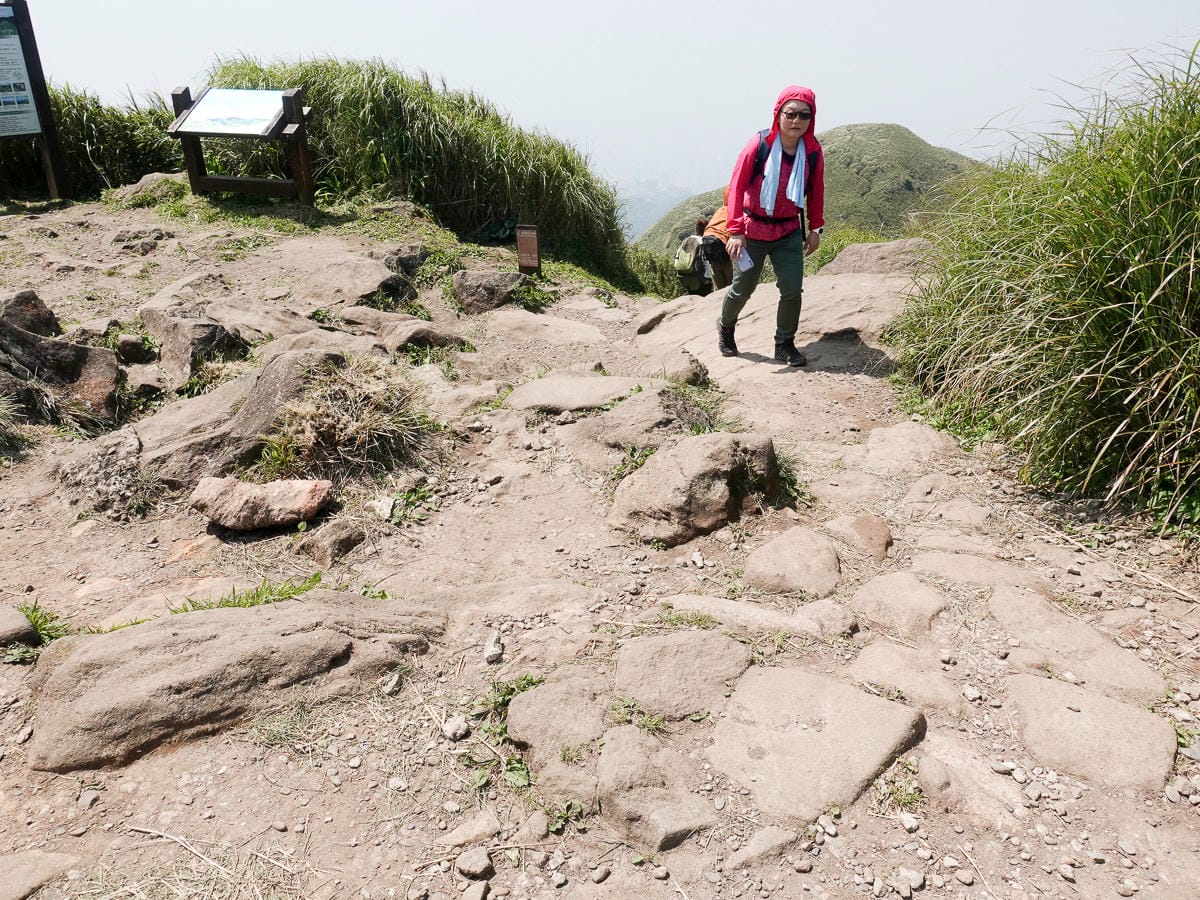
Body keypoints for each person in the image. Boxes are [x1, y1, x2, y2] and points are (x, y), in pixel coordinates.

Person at [717, 85, 825, 366]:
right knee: (743, 288)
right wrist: (736, 231)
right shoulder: (760, 144)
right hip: (752, 231)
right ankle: (726, 327)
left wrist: (816, 228)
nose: (796, 121)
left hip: (788, 230)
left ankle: (784, 344)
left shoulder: (812, 152)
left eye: (804, 115)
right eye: (791, 113)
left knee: (791, 290)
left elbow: (816, 191)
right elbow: (738, 186)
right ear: (778, 114)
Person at [701, 187, 734, 290]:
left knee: (717, 273)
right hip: (722, 243)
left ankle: (719, 296)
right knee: (731, 280)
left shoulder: (720, 210)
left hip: (708, 242)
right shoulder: (734, 211)